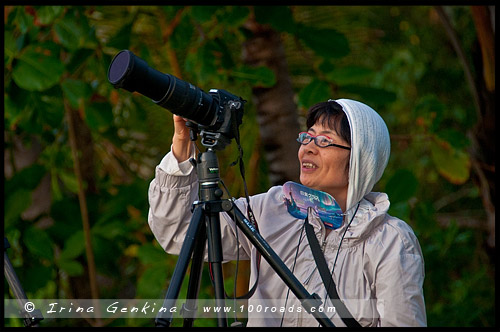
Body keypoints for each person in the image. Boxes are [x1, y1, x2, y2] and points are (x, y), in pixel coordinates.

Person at [148, 99, 427, 327]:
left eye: (325, 141)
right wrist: (183, 145)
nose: (307, 148)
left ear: (360, 159)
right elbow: (180, 233)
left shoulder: (389, 241)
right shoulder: (273, 209)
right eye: (307, 137)